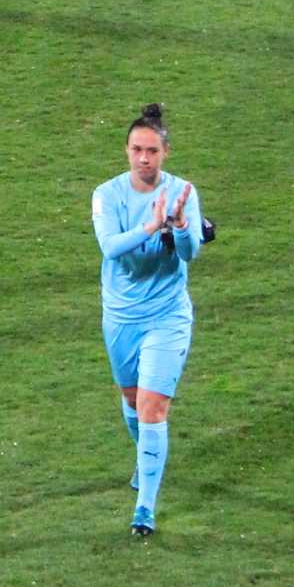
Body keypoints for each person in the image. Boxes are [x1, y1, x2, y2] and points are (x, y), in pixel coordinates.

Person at [91, 102, 206, 539]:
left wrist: (180, 227)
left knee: (152, 406)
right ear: (126, 151)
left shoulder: (183, 192)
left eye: (152, 151)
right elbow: (110, 247)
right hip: (121, 316)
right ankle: (146, 457)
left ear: (165, 152)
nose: (144, 158)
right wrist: (150, 227)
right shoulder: (107, 195)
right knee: (131, 398)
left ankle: (145, 509)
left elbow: (190, 252)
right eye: (137, 150)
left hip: (167, 315)